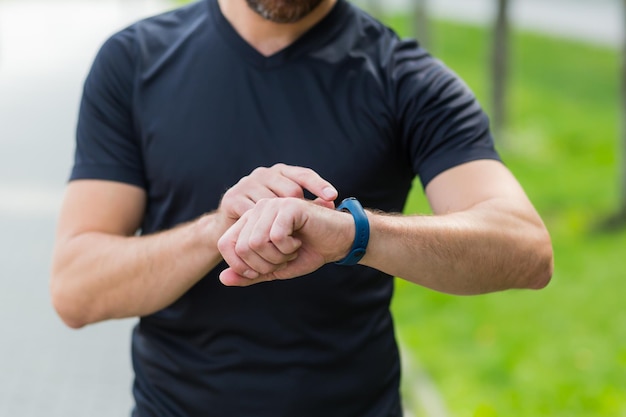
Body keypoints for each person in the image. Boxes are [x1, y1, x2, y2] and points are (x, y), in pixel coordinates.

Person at [50, 0, 553, 415]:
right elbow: (76, 289)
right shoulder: (133, 61)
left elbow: (526, 249)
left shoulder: (407, 78)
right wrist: (216, 232)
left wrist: (352, 234)